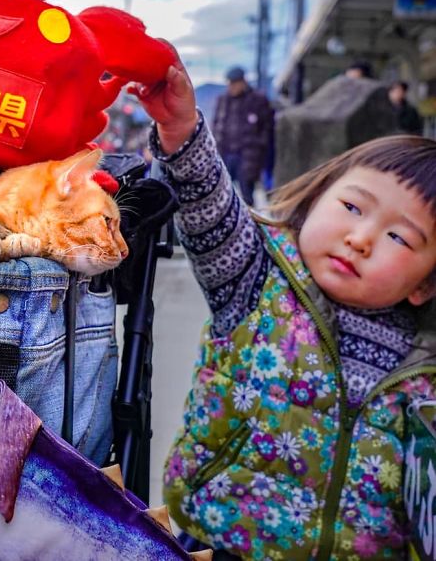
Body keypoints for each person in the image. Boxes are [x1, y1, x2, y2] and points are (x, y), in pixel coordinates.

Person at [132, 59, 436, 560]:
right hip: (223, 540)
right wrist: (181, 128)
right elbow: (209, 205)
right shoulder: (256, 275)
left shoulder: (425, 357)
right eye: (353, 208)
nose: (360, 239)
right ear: (316, 199)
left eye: (399, 236)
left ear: (425, 284)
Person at [211, 66, 272, 206]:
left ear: (242, 82)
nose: (231, 87)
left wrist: (258, 150)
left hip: (247, 156)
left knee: (247, 196)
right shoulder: (223, 100)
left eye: (234, 83)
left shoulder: (257, 100)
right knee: (222, 195)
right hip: (225, 154)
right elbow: (216, 124)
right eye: (229, 83)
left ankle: (250, 225)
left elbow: (266, 129)